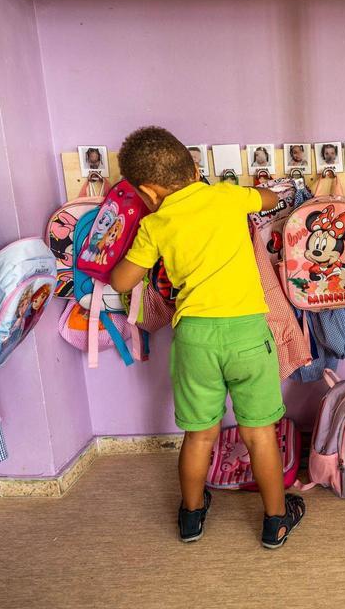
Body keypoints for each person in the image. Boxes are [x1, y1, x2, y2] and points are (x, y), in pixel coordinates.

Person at [110, 127, 305, 549]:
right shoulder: (226, 196)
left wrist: (132, 239)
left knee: (200, 435)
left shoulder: (155, 223)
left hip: (195, 338)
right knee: (260, 433)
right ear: (195, 167)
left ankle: (191, 517)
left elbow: (121, 278)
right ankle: (276, 521)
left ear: (148, 191)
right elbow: (271, 199)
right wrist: (264, 196)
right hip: (248, 334)